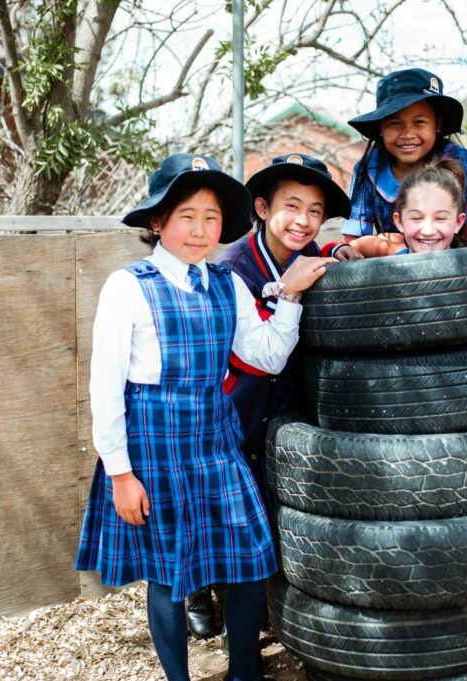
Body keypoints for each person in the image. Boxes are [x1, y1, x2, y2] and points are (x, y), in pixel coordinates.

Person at [75, 152, 335, 681]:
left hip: (216, 443)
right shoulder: (129, 286)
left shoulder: (225, 283)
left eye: (211, 218)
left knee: (246, 562)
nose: (200, 230)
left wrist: (288, 298)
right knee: (170, 577)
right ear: (157, 222)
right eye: (187, 215)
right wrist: (121, 474)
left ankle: (244, 672)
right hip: (154, 447)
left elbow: (264, 355)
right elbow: (104, 388)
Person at [173, 153, 354, 642]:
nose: (303, 221)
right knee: (217, 504)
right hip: (236, 402)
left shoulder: (318, 260)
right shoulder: (230, 268)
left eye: (315, 211)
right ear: (260, 206)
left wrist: (339, 254)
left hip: (289, 404)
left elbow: (332, 254)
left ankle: (258, 599)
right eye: (292, 206)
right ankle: (198, 588)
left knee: (267, 502)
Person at [338, 67, 467, 256]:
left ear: (437, 124)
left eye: (419, 122)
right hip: (391, 270)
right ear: (380, 128)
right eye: (395, 123)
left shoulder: (462, 161)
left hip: (453, 260)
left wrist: (394, 244)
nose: (407, 134)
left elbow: (465, 237)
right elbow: (353, 245)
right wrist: (396, 250)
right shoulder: (368, 168)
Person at [352, 156, 467, 257]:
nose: (428, 231)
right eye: (416, 218)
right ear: (399, 221)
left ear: (458, 222)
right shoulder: (389, 271)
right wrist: (335, 248)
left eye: (441, 218)